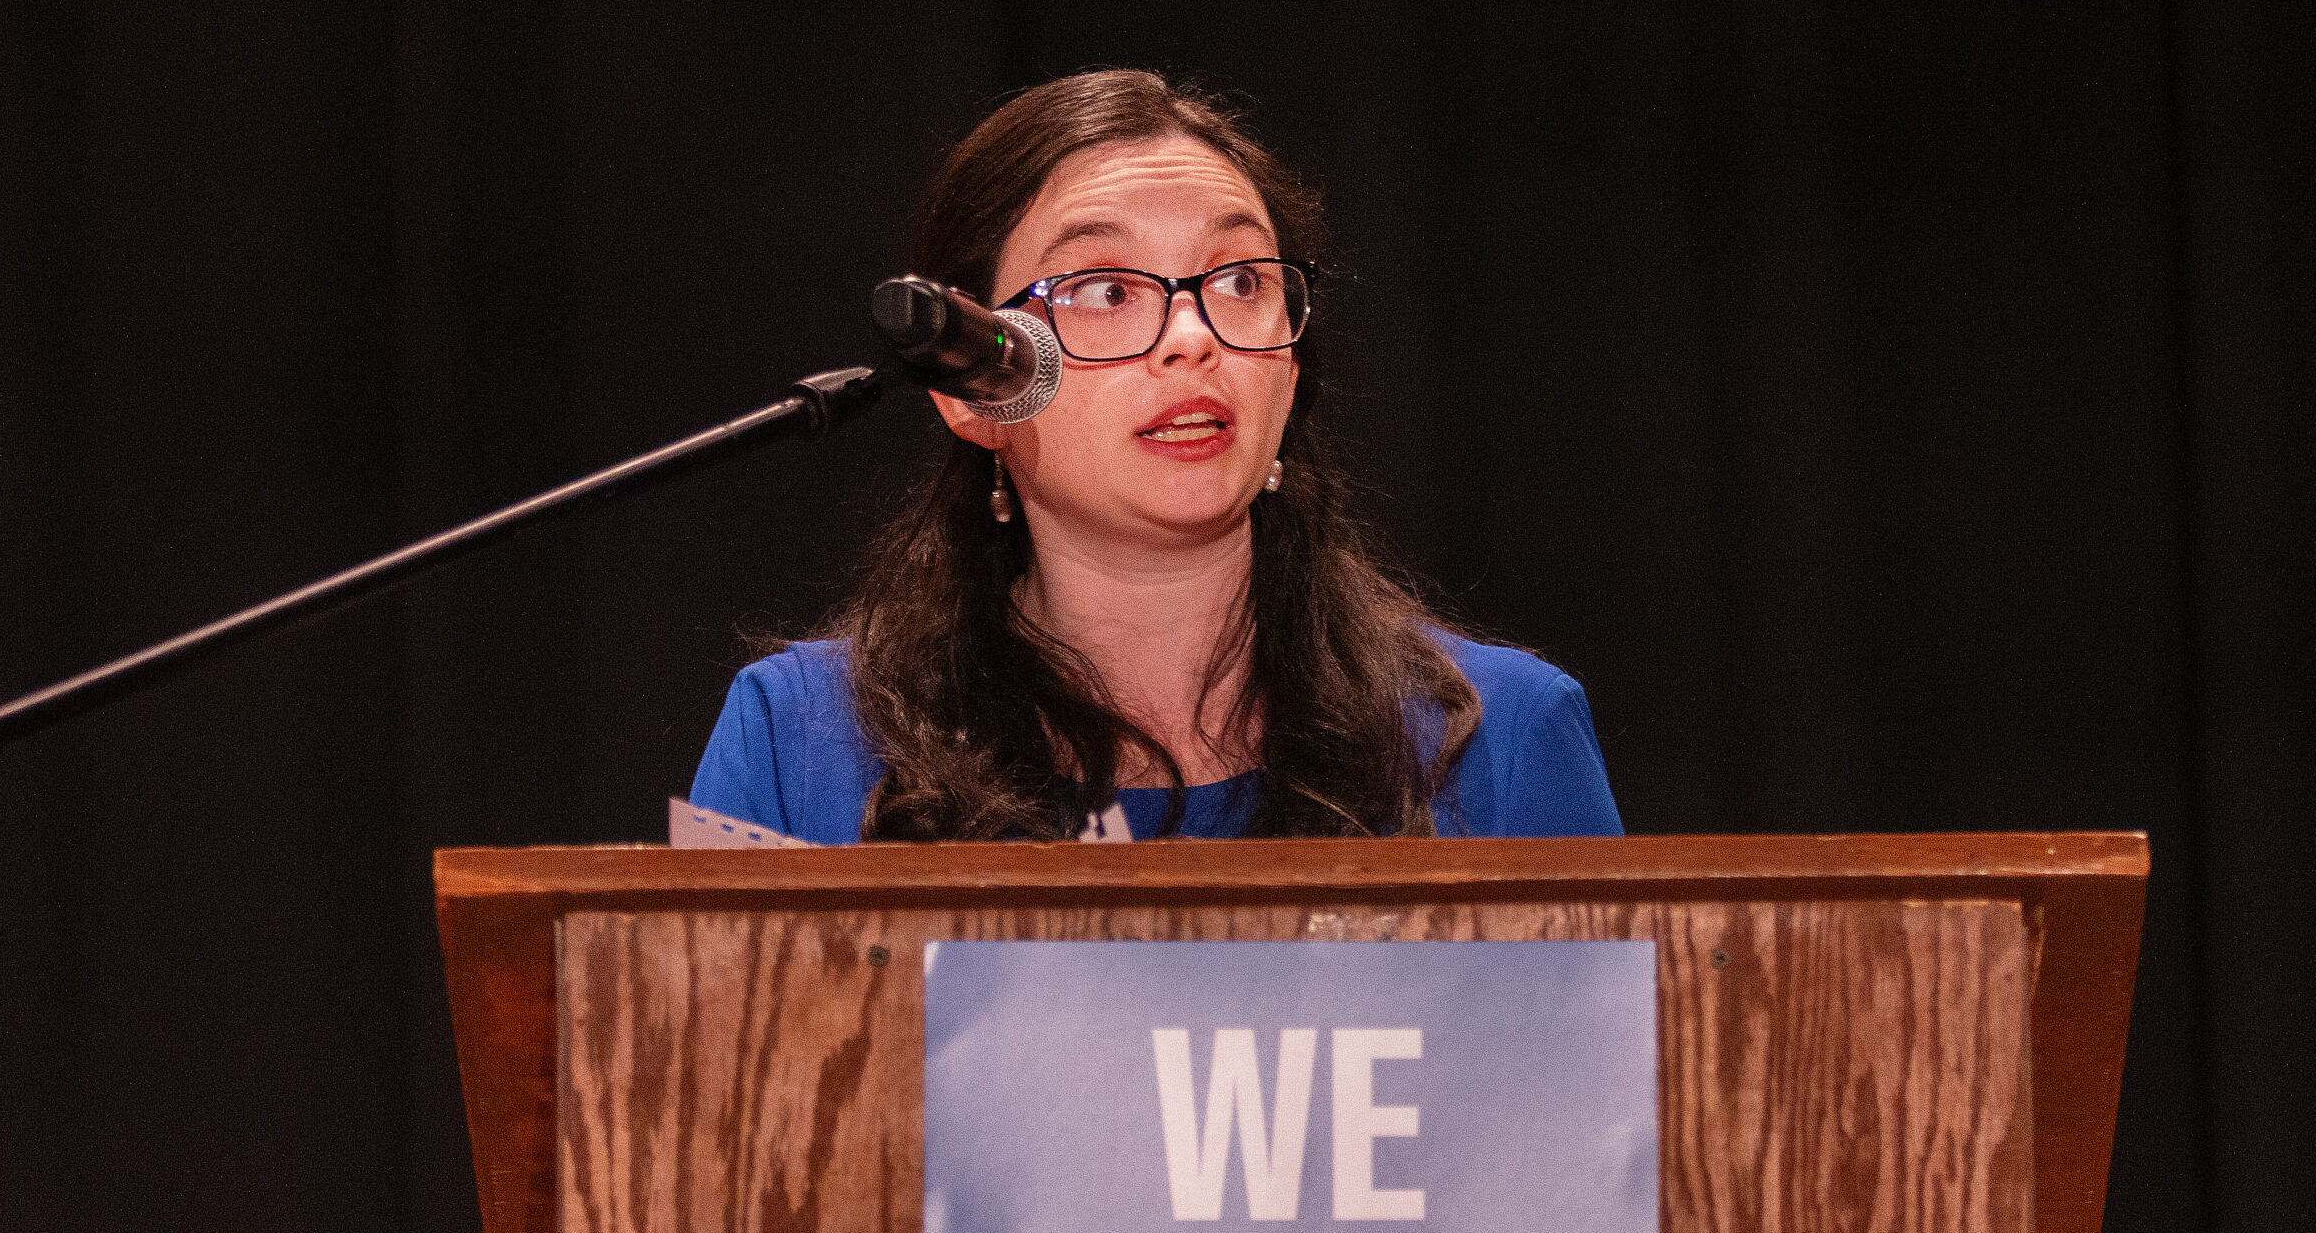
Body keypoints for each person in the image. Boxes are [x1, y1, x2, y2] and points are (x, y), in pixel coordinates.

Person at [690, 70, 1620, 844]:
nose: (1190, 337)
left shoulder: (1503, 738)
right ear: (970, 390)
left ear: (1288, 374)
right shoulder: (798, 741)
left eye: (1242, 281)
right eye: (1104, 288)